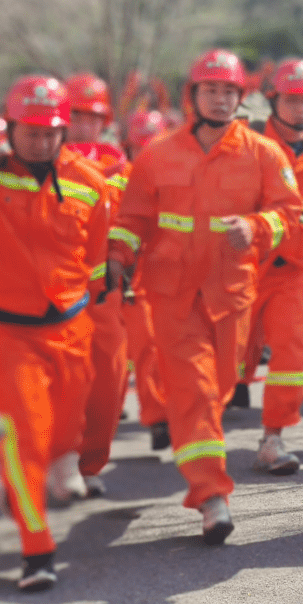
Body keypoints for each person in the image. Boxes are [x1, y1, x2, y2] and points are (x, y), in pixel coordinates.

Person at [108, 49, 303, 545]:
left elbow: (290, 214)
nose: (220, 99)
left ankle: (204, 472)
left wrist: (258, 226)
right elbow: (132, 220)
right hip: (172, 296)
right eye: (211, 90)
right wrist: (118, 257)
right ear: (194, 96)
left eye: (229, 91)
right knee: (193, 392)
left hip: (230, 295)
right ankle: (212, 496)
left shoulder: (263, 153)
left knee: (214, 392)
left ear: (241, 99)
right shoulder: (157, 154)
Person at [0, 75, 109, 592]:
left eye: (53, 131)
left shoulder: (89, 183)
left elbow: (94, 260)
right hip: (10, 335)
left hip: (72, 329)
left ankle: (17, 471)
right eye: (31, 132)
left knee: (64, 430)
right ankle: (37, 548)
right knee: (28, 434)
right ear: (10, 129)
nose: (43, 141)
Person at [234, 58, 303, 474]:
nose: (300, 108)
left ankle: (273, 437)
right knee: (233, 349)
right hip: (247, 265)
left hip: (298, 268)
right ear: (273, 101)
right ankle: (230, 391)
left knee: (291, 353)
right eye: (292, 99)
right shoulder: (246, 142)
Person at [64, 73, 130, 497]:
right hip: (56, 295)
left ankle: (90, 464)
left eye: (92, 116)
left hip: (105, 295)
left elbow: (133, 222)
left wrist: (124, 258)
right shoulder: (40, 160)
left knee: (109, 382)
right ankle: (58, 462)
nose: (84, 124)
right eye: (75, 115)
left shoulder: (122, 167)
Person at [120, 109, 170, 450]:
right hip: (128, 285)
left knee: (155, 353)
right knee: (132, 354)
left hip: (167, 284)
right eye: (140, 148)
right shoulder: (117, 182)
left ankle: (158, 419)